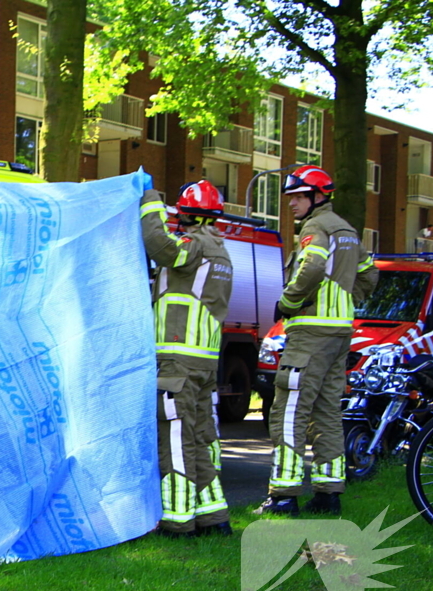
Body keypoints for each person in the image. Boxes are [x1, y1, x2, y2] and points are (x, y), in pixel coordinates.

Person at [256, 165, 378, 516]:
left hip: (311, 333)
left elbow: (310, 268)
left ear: (318, 196)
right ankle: (328, 495)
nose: (291, 203)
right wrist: (346, 300)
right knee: (327, 413)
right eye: (290, 197)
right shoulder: (348, 231)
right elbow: (369, 272)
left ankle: (283, 495)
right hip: (340, 333)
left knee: (289, 411)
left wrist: (288, 303)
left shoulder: (316, 227)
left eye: (297, 196)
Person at [140, 177, 234, 537]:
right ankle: (214, 517)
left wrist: (149, 200)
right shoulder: (220, 249)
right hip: (203, 359)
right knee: (197, 439)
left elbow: (159, 245)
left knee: (175, 439)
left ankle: (178, 522)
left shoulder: (193, 245)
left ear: (188, 215)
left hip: (178, 358)